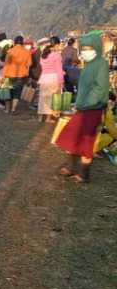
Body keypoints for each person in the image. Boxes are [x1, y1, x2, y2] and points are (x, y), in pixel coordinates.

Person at [56, 32, 110, 183]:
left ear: (96, 48)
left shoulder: (101, 64)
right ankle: (71, 167)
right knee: (71, 136)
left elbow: (100, 88)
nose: (86, 51)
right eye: (84, 48)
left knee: (86, 142)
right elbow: (84, 87)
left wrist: (85, 103)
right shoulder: (88, 64)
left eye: (89, 48)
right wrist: (77, 103)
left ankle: (84, 174)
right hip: (82, 108)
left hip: (93, 108)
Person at [38, 36, 65, 122]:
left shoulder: (43, 55)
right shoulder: (56, 55)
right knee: (51, 98)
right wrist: (61, 82)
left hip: (44, 77)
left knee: (42, 98)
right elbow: (59, 70)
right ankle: (48, 118)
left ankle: (40, 117)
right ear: (56, 45)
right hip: (53, 78)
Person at [3, 35, 32, 114]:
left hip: (9, 74)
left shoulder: (10, 51)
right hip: (21, 75)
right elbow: (29, 64)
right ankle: (13, 109)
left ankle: (7, 109)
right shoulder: (27, 52)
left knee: (8, 92)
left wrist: (3, 74)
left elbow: (6, 63)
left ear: (15, 42)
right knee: (17, 92)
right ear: (22, 42)